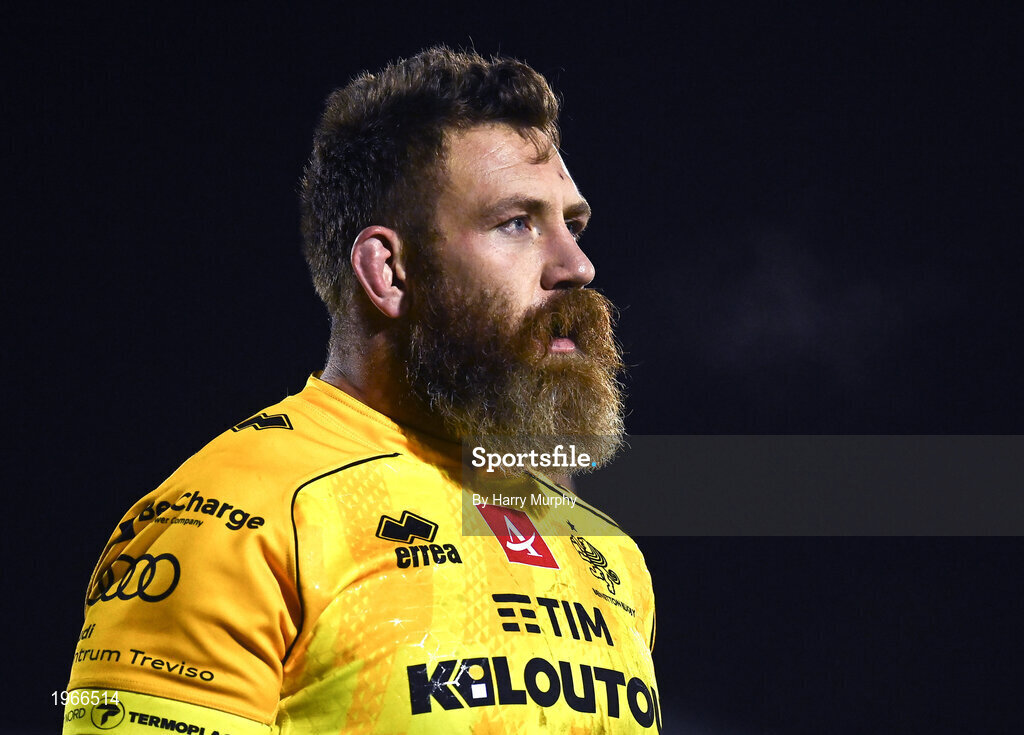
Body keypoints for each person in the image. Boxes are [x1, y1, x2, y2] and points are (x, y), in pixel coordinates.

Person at [63, 47, 660, 734]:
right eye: (517, 223)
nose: (577, 266)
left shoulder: (605, 552)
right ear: (389, 272)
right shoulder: (231, 520)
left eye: (572, 225)